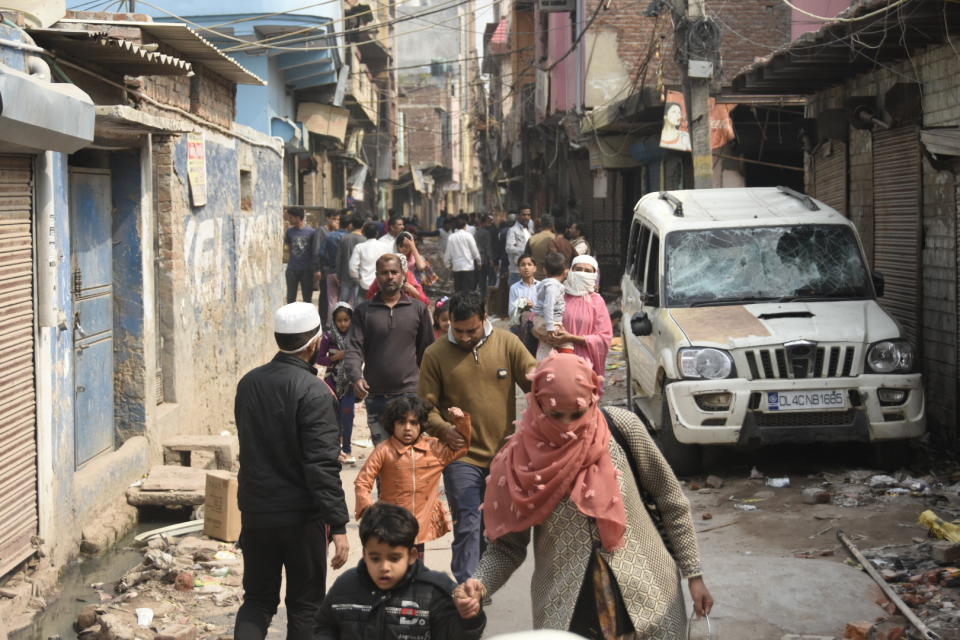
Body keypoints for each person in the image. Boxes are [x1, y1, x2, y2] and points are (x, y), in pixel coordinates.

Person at [459, 353, 714, 636]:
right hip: (566, 610)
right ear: (538, 403)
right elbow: (507, 547)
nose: (568, 427)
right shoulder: (520, 461)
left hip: (650, 596)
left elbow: (671, 502)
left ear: (593, 399)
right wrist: (480, 585)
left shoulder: (621, 429)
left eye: (577, 414)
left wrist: (694, 575)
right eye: (556, 416)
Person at [233, 302, 350, 640]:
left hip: (256, 513)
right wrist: (338, 523)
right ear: (315, 344)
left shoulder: (248, 383)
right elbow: (322, 467)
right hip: (301, 518)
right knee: (306, 605)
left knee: (257, 600)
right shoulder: (315, 391)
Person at [417, 291, 538, 583]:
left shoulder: (508, 343)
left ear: (484, 319)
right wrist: (443, 428)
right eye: (457, 331)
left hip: (504, 456)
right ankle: (467, 584)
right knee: (468, 521)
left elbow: (536, 382)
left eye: (471, 330)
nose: (465, 336)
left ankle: (483, 581)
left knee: (491, 524)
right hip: (461, 456)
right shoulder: (435, 355)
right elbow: (424, 407)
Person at [316, 502, 486, 640]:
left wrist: (468, 617)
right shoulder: (345, 587)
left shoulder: (435, 591)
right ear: (364, 554)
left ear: (412, 555)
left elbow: (455, 635)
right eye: (375, 558)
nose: (384, 567)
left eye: (394, 558)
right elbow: (324, 625)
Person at [354, 397, 472, 556]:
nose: (407, 428)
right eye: (401, 423)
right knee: (393, 569)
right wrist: (370, 512)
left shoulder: (434, 448)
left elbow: (462, 447)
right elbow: (362, 482)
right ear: (392, 425)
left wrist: (460, 421)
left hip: (419, 526)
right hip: (389, 525)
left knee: (415, 568)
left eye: (413, 422)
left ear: (421, 424)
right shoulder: (384, 451)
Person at [345, 254, 435, 446]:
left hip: (410, 395)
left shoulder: (418, 309)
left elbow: (427, 352)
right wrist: (356, 377)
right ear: (377, 276)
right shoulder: (364, 311)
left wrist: (430, 391)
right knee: (383, 457)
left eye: (394, 272)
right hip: (377, 396)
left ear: (403, 274)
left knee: (410, 457)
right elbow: (354, 348)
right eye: (385, 273)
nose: (390, 277)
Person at [534, 255, 613, 377]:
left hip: (582, 366)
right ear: (570, 271)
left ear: (595, 275)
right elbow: (535, 320)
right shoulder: (556, 292)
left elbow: (604, 338)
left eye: (588, 271)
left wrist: (571, 338)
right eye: (578, 269)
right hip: (551, 361)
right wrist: (544, 334)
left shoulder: (596, 301)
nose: (582, 273)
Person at [316, 302, 357, 465]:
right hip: (331, 383)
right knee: (332, 417)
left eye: (346, 320)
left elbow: (362, 354)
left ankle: (346, 449)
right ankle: (333, 449)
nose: (343, 324)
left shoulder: (355, 336)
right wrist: (335, 357)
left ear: (351, 320)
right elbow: (320, 359)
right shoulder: (328, 337)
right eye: (339, 320)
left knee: (347, 416)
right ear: (334, 320)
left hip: (349, 384)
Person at [531, 252, 572, 359]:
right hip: (549, 322)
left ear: (544, 270)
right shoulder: (553, 286)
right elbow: (548, 306)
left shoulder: (545, 283)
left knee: (545, 347)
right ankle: (568, 367)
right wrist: (550, 326)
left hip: (543, 320)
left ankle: (540, 370)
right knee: (567, 344)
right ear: (565, 272)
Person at [348, 221, 391, 296]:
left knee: (364, 307)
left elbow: (352, 267)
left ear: (363, 233)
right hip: (382, 285)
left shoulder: (359, 247)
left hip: (365, 286)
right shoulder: (385, 247)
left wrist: (358, 278)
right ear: (377, 233)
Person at [315, 211, 343, 324]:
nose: (336, 222)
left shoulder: (337, 233)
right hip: (325, 268)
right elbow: (317, 251)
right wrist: (317, 268)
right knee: (325, 297)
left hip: (335, 269)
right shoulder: (322, 231)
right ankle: (323, 320)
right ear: (328, 219)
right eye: (333, 219)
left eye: (338, 219)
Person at [283, 209, 316, 304]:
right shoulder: (289, 232)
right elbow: (289, 248)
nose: (289, 220)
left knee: (307, 298)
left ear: (297, 218)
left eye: (291, 217)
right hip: (292, 269)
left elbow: (314, 251)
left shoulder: (311, 232)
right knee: (290, 298)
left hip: (307, 270)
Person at [508, 255, 539, 356]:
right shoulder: (514, 288)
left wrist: (533, 306)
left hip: (537, 325)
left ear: (535, 268)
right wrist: (521, 304)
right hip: (520, 326)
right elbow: (511, 311)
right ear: (518, 269)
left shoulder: (541, 286)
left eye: (529, 264)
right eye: (523, 265)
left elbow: (544, 307)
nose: (526, 267)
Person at [444, 217, 481, 293]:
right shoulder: (469, 236)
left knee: (458, 291)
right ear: (465, 226)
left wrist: (447, 265)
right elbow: (474, 251)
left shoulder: (451, 237)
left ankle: (459, 305)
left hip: (456, 268)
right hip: (468, 267)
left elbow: (448, 253)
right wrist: (479, 262)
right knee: (468, 291)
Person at [336, 215, 365, 307]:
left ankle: (339, 318)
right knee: (358, 301)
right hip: (359, 275)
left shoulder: (344, 238)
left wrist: (338, 274)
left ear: (352, 225)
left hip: (345, 273)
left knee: (343, 301)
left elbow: (338, 258)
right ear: (363, 225)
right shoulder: (364, 239)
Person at [505, 206, 533, 286]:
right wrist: (525, 251)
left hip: (529, 270)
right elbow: (508, 248)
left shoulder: (530, 230)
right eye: (524, 215)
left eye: (528, 215)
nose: (526, 217)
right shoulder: (512, 230)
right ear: (518, 216)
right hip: (516, 271)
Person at [527, 214, 558, 280]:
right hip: (551, 276)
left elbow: (526, 257)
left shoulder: (532, 239)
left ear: (541, 224)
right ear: (553, 225)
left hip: (535, 275)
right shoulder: (556, 239)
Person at [474, 214, 496, 292]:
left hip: (478, 258)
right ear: (483, 223)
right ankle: (489, 295)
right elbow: (488, 247)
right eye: (488, 222)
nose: (489, 224)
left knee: (481, 278)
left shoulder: (477, 232)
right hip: (485, 259)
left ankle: (482, 295)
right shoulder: (486, 233)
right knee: (492, 278)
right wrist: (491, 259)